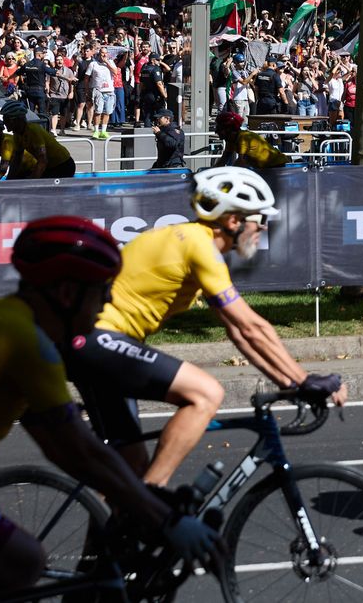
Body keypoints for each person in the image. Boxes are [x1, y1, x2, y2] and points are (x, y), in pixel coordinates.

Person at [0, 217, 219, 600]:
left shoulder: (3, 319)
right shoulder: (29, 346)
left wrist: (143, 500)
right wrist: (165, 519)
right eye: (102, 290)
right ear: (66, 293)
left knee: (22, 562)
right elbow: (81, 453)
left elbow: (67, 443)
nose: (109, 301)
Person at [63, 168, 346, 486]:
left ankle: (121, 526)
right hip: (99, 339)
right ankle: (151, 508)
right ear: (234, 221)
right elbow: (251, 325)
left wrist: (289, 382)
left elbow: (237, 332)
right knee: (206, 393)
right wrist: (304, 379)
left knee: (128, 472)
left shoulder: (194, 244)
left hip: (97, 343)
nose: (263, 227)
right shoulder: (198, 246)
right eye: (259, 219)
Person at [0, 99, 77, 178]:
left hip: (63, 165)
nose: (4, 122)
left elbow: (42, 160)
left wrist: (32, 182)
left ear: (16, 120)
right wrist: (8, 181)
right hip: (50, 166)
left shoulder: (32, 131)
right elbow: (16, 161)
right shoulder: (17, 135)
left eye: (6, 119)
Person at [213, 109, 291, 170]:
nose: (217, 131)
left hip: (276, 165)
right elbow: (224, 158)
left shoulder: (243, 137)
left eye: (220, 128)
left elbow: (241, 162)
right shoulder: (230, 140)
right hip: (264, 167)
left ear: (229, 129)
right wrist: (212, 171)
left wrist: (228, 174)